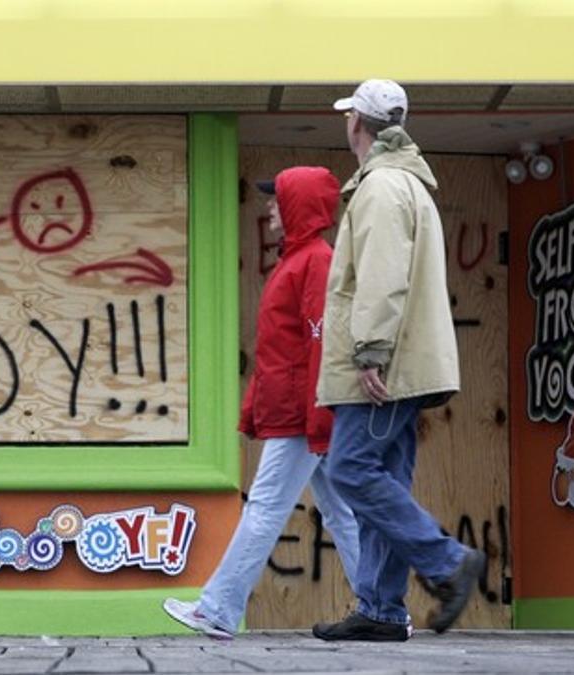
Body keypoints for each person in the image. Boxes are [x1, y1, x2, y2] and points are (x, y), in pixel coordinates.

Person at [312, 80, 485, 642]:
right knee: (385, 478)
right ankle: (382, 610)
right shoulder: (404, 184)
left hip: (385, 368)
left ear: (356, 123)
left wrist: (370, 353)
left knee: (350, 470)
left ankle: (447, 562)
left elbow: (382, 280)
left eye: (347, 117)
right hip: (407, 363)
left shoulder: (381, 188)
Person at [163, 166, 363, 640]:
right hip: (300, 410)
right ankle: (385, 609)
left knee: (267, 507)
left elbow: (322, 343)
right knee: (343, 514)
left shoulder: (314, 261)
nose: (270, 205)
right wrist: (257, 406)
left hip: (302, 415)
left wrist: (317, 419)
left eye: (278, 198)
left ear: (297, 205)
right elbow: (281, 347)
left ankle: (217, 609)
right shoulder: (298, 261)